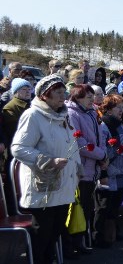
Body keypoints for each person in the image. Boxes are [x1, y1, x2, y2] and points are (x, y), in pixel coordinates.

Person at [11, 75, 80, 264]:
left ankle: (48, 259)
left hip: (64, 182)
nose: (63, 96)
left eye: (63, 92)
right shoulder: (32, 116)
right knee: (43, 232)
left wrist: (78, 165)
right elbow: (19, 148)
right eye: (58, 93)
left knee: (56, 229)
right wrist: (47, 161)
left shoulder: (63, 115)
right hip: (43, 184)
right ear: (45, 96)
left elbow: (71, 143)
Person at [66, 84, 107, 254]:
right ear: (77, 97)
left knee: (87, 206)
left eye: (92, 96)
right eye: (88, 97)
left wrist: (103, 154)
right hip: (80, 168)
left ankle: (81, 242)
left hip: (93, 166)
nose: (92, 99)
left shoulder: (91, 112)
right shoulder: (72, 113)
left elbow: (100, 136)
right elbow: (80, 143)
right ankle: (71, 245)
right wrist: (101, 155)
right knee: (77, 208)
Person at [94, 94, 123, 248]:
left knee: (115, 204)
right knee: (104, 205)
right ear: (109, 109)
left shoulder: (119, 123)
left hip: (121, 170)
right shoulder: (104, 125)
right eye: (119, 107)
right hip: (109, 172)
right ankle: (98, 236)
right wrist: (103, 173)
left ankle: (113, 232)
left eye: (122, 107)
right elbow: (102, 148)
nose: (122, 110)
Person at [1, 78, 32, 215]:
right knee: (15, 184)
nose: (27, 92)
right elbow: (16, 131)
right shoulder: (10, 108)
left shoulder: (32, 105)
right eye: (23, 90)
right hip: (17, 152)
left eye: (28, 89)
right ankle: (16, 210)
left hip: (30, 151)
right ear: (15, 92)